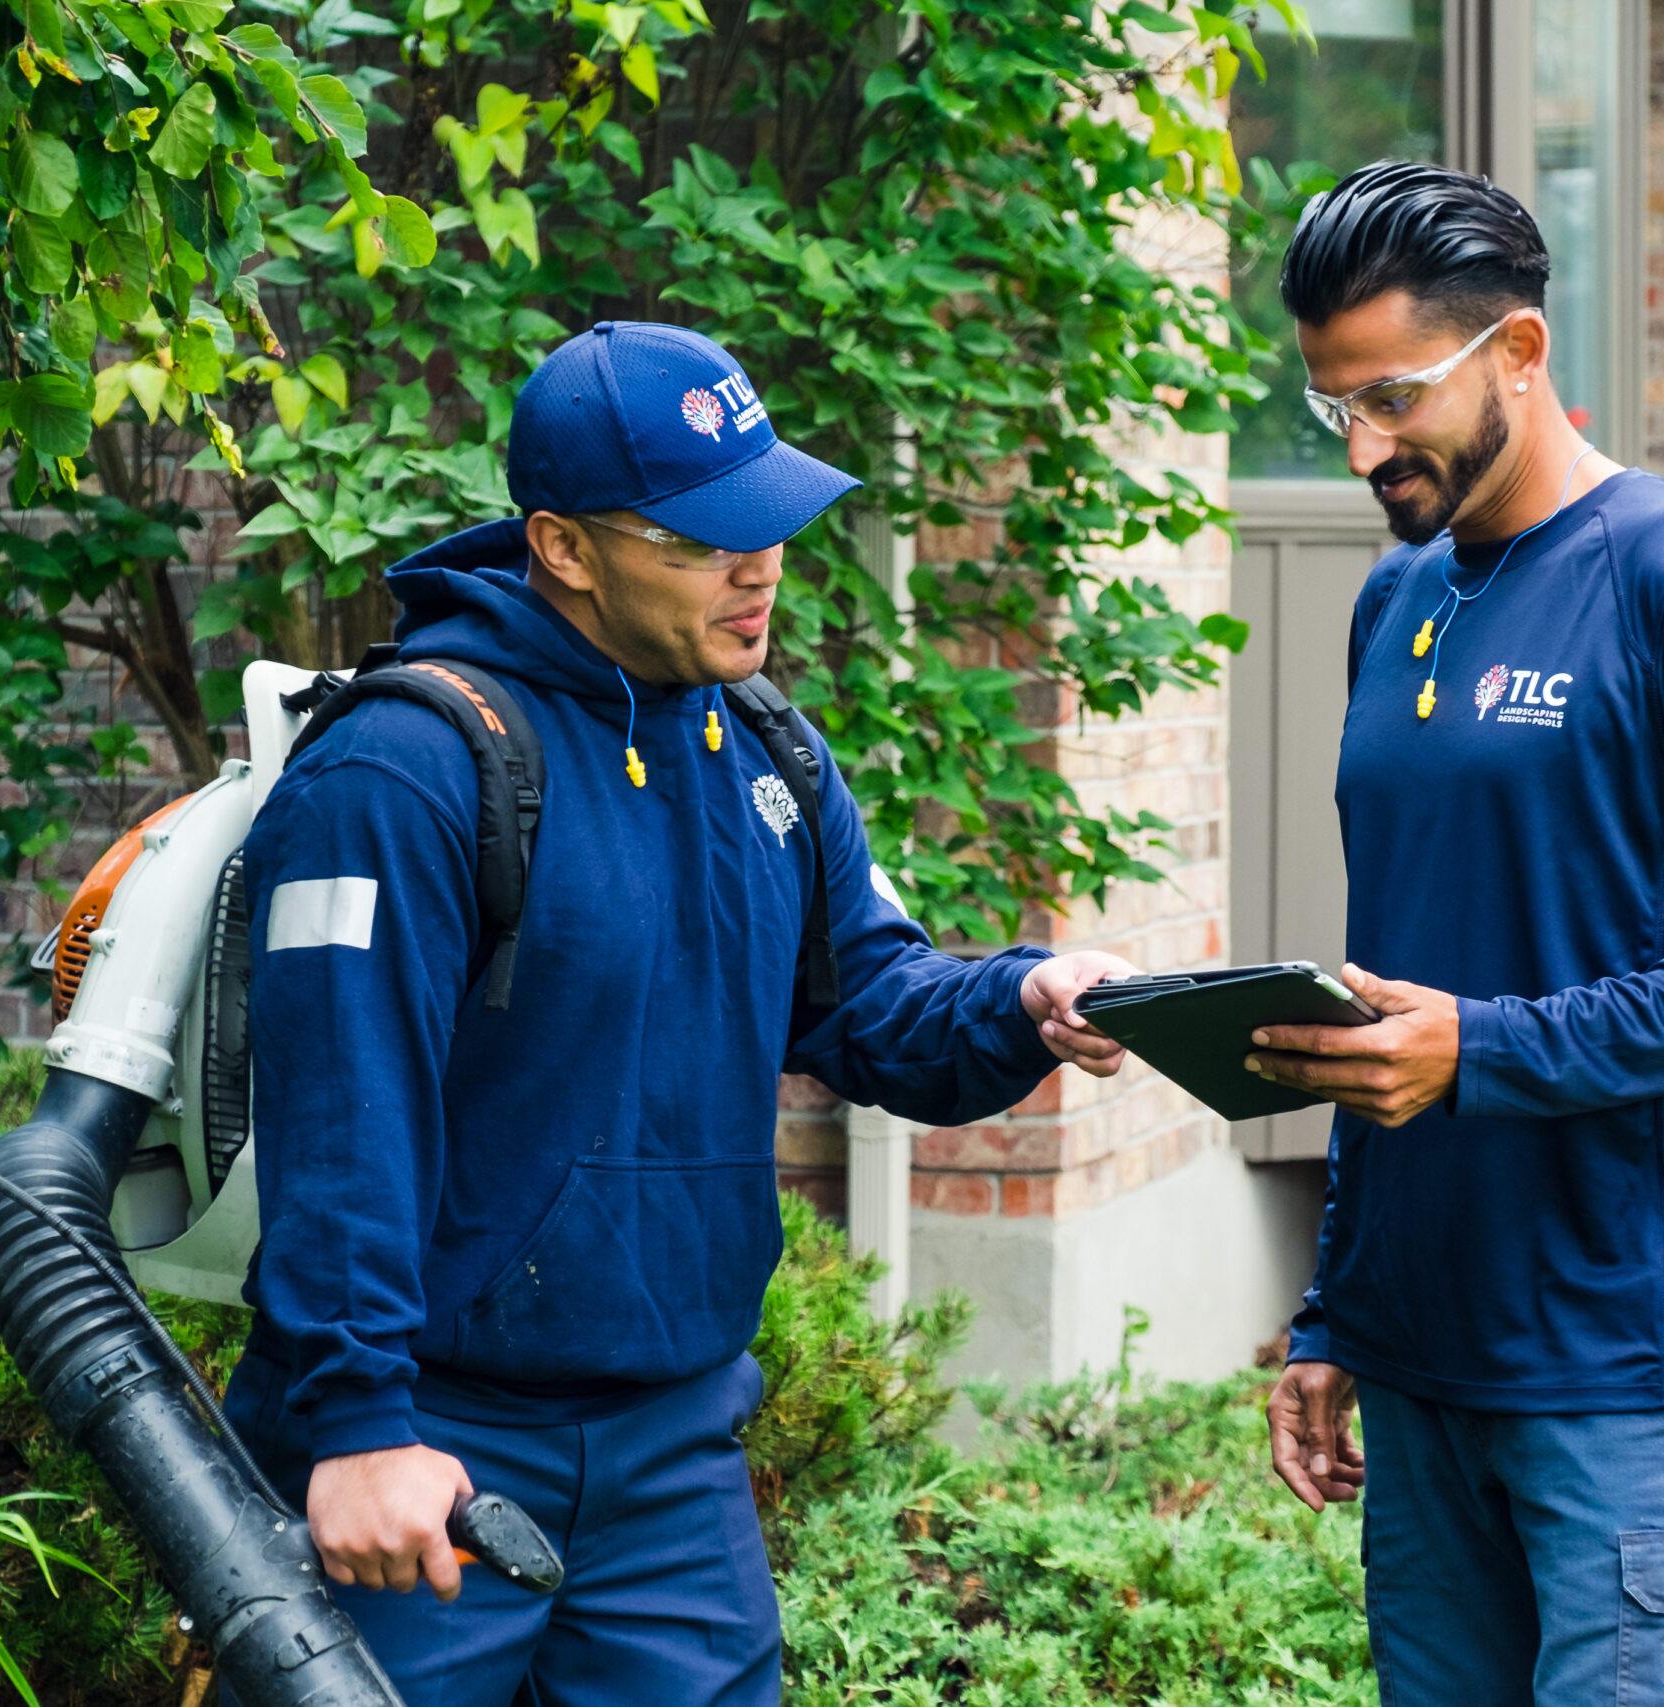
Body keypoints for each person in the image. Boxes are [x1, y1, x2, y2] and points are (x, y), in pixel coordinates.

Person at [222, 320, 1136, 1707]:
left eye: (765, 523)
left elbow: (875, 1005)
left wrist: (1021, 999)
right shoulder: (404, 770)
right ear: (566, 547)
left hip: (673, 1460)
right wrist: (355, 1427)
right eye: (702, 538)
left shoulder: (763, 747)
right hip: (435, 1444)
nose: (758, 564)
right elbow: (341, 1117)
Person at [1243, 164, 1664, 1706]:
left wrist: (1487, 1049)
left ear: (1518, 352)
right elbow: (1396, 964)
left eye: (1396, 395)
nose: (1365, 445)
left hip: (1624, 1371)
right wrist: (1336, 1307)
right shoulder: (1394, 602)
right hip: (1424, 1348)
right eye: (1336, 404)